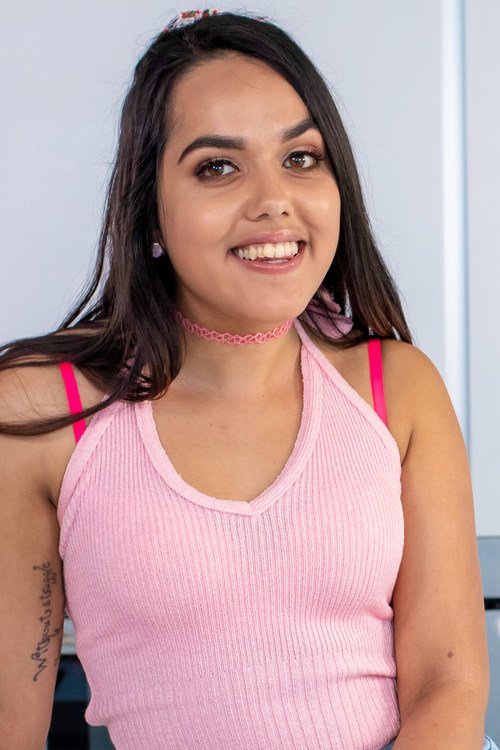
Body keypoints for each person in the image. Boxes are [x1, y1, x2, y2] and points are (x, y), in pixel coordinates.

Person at [0, 8, 496, 750]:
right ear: (149, 214)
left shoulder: (396, 389)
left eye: (301, 157)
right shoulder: (40, 413)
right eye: (217, 167)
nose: (273, 199)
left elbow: (447, 685)